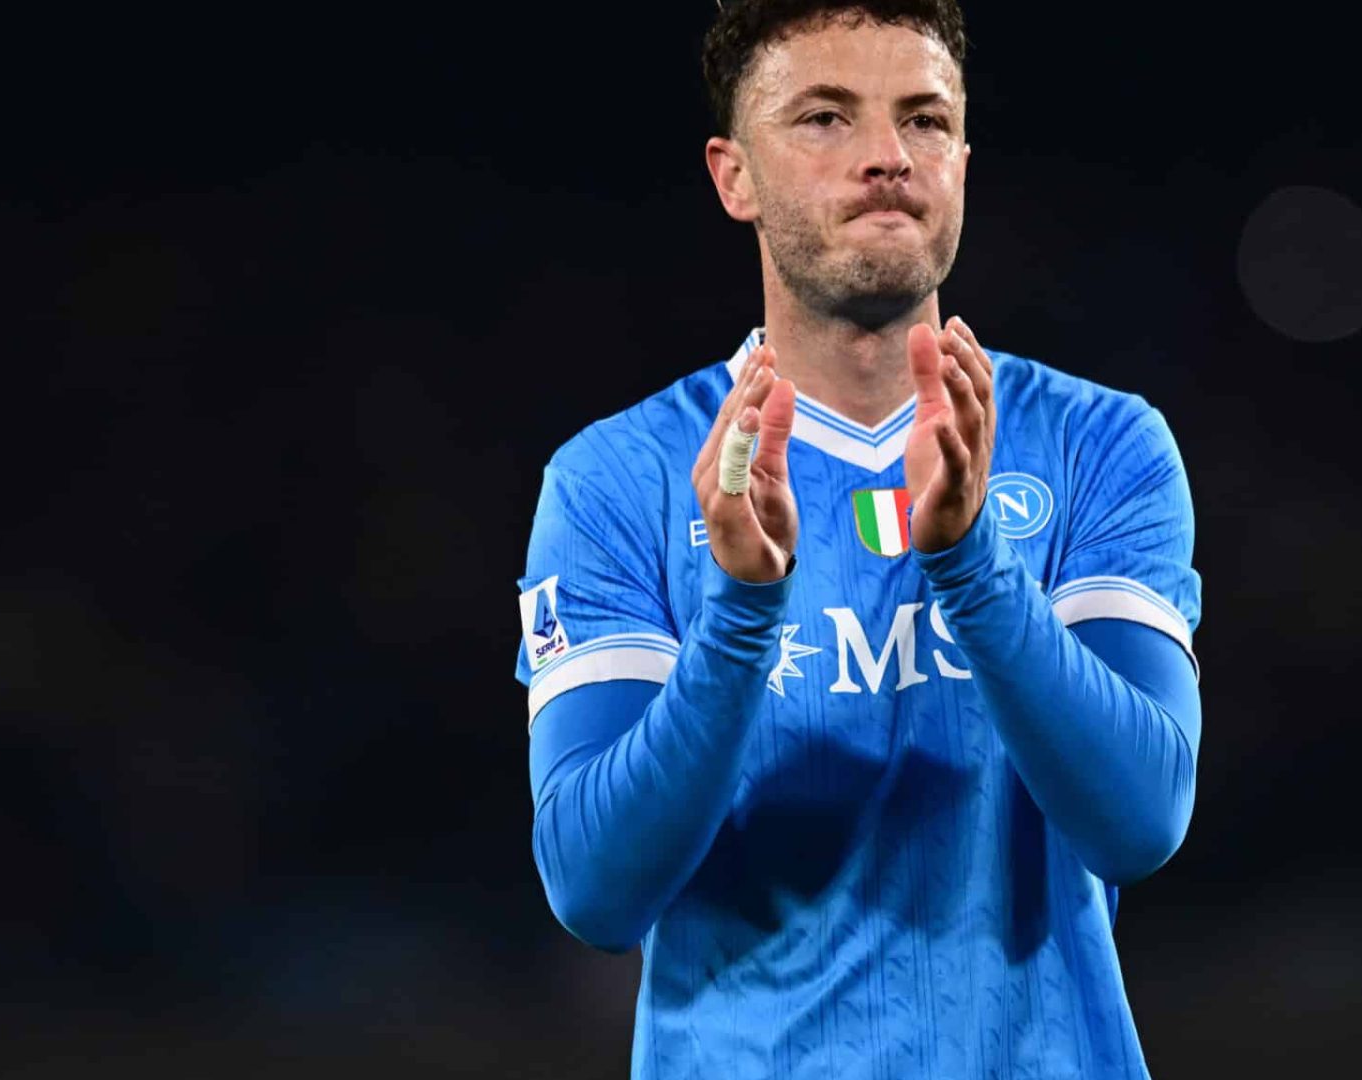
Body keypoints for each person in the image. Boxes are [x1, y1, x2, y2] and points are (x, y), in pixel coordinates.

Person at [512, 2, 1202, 1075]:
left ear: (963, 161)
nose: (887, 157)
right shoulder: (618, 479)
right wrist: (740, 615)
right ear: (732, 175)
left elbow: (1140, 820)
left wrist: (974, 566)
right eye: (826, 118)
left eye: (924, 120)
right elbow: (596, 891)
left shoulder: (1098, 444)